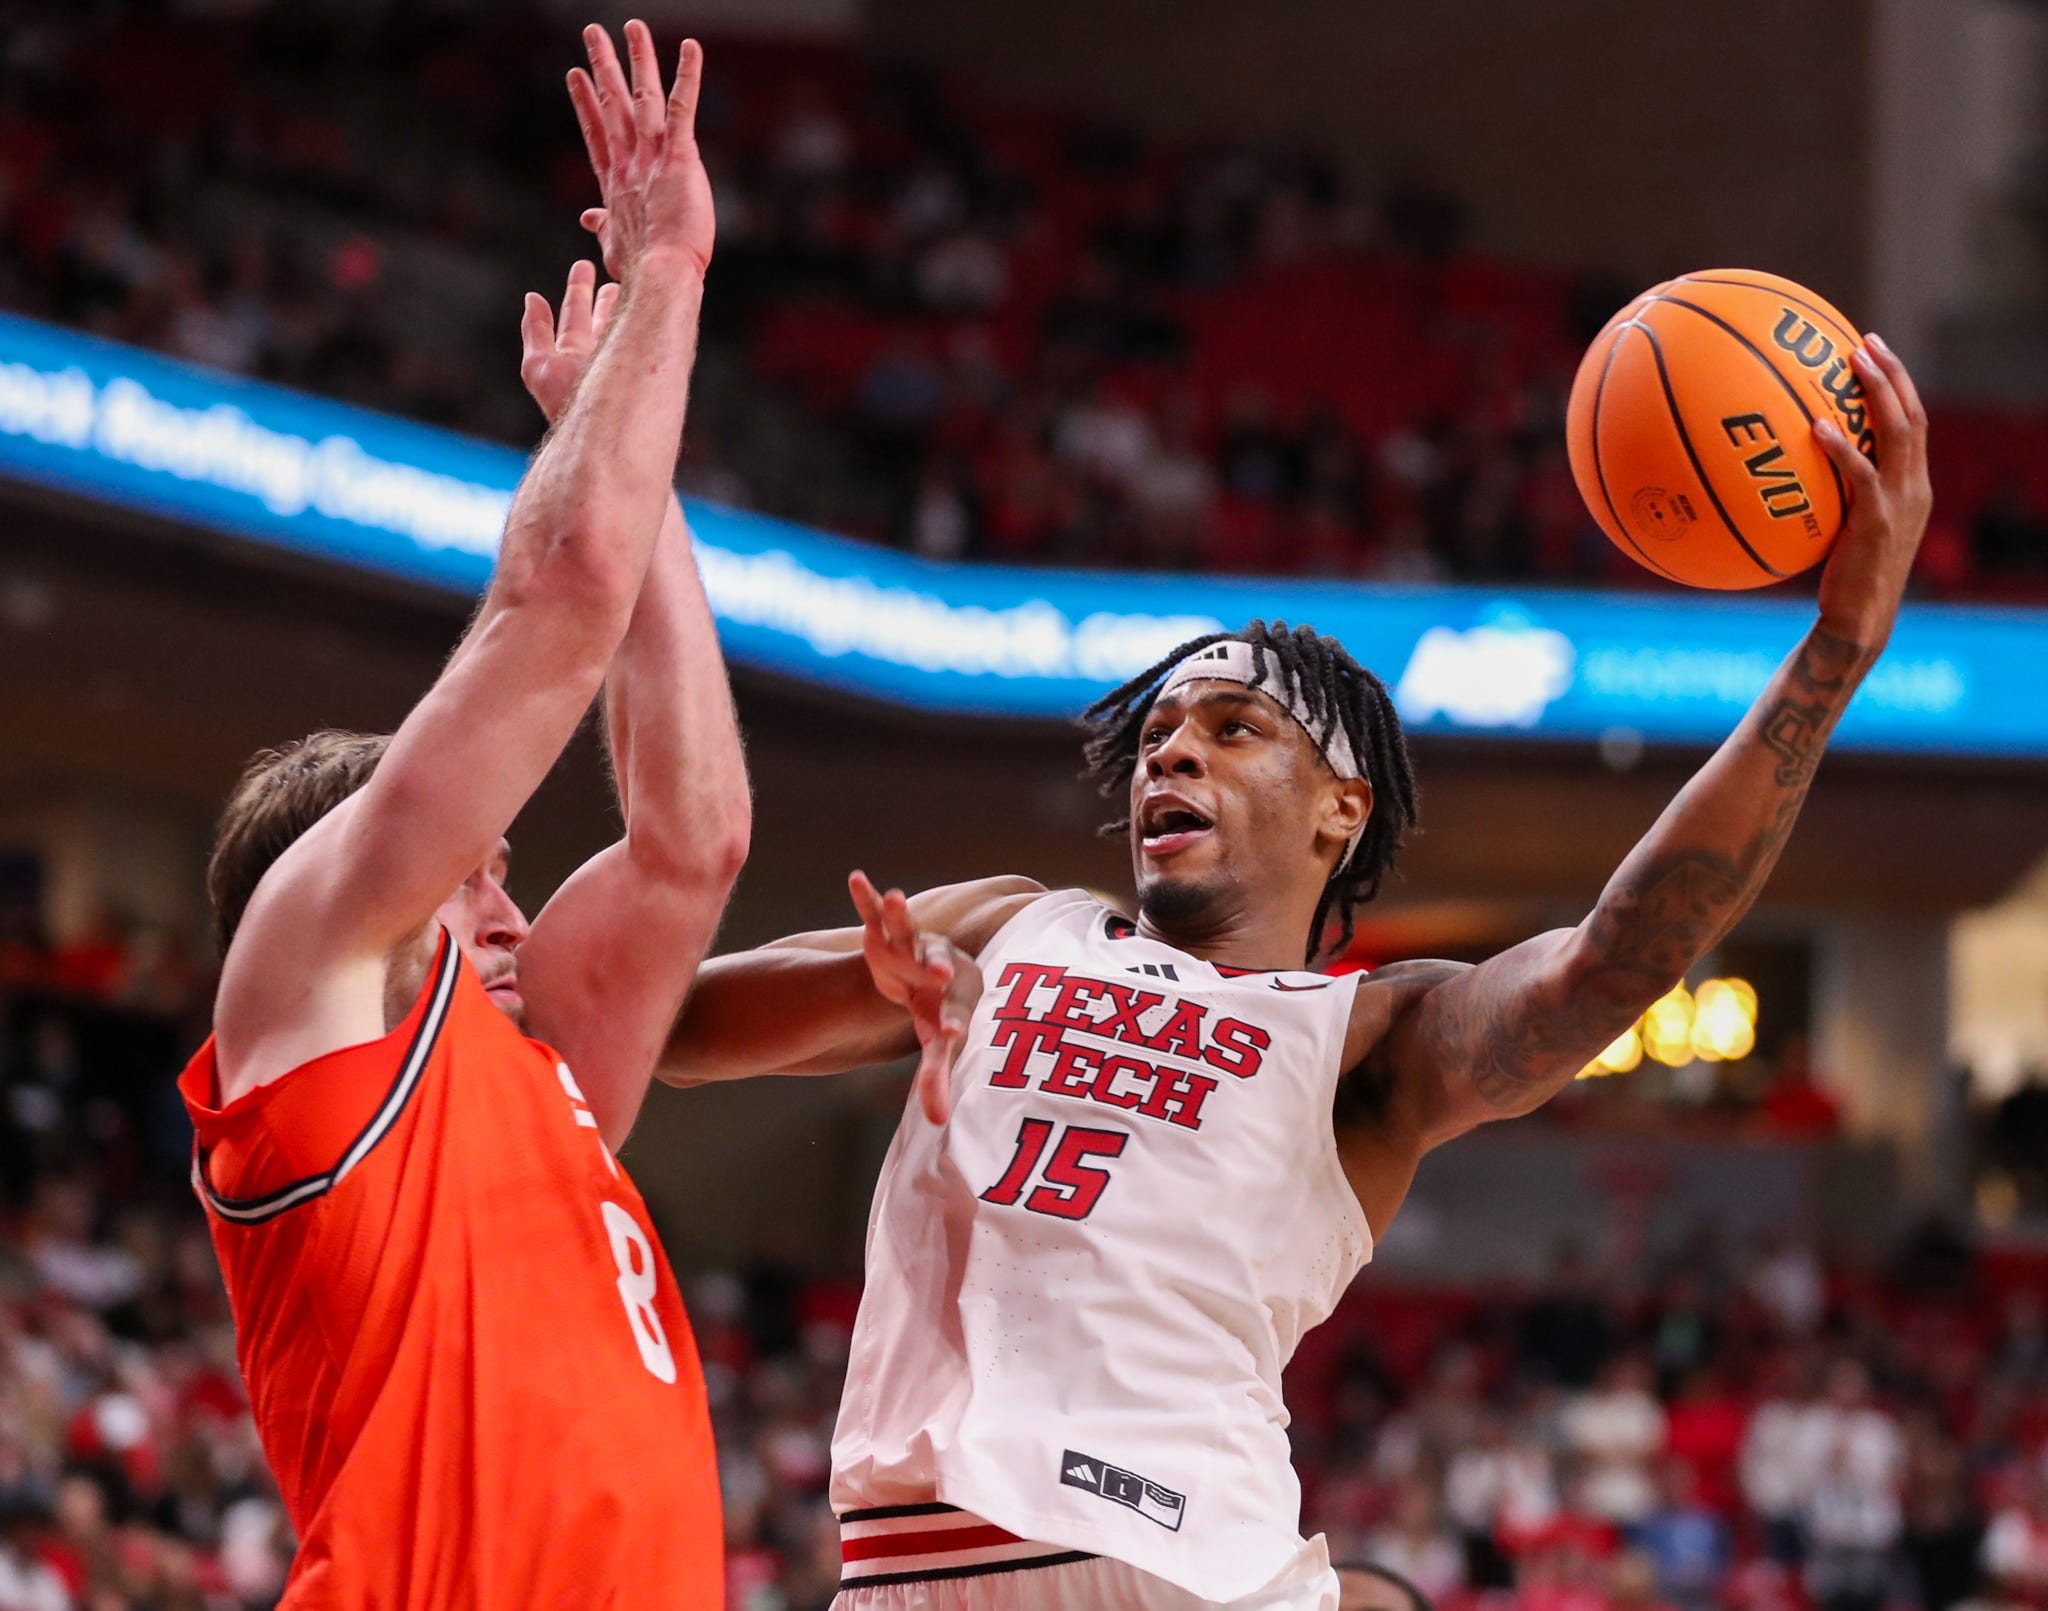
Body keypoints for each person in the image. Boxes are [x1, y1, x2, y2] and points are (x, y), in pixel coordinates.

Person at [665, 338, 1932, 1608]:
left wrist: (1832, 655)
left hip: (1184, 1570)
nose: (1170, 755)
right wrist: (875, 993)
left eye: (1230, 730)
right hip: (905, 1573)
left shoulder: (1368, 1038)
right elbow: (667, 1027)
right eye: (1156, 735)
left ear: (1339, 808)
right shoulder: (1007, 930)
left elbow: (1613, 962)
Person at [175, 24, 746, 1607]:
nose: (509, 908)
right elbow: (557, 594)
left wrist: (635, 453)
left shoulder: (534, 1076)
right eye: (469, 872)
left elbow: (692, 843)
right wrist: (671, 279)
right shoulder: (304, 987)